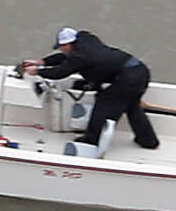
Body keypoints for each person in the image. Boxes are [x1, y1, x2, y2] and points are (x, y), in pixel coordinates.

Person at [23, 27, 159, 151]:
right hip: (140, 71)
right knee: (132, 106)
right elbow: (65, 58)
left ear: (68, 44)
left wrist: (38, 72)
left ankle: (91, 140)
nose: (60, 49)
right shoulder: (86, 39)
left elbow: (60, 72)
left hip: (129, 78)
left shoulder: (80, 56)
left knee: (103, 102)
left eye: (61, 47)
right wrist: (41, 62)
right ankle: (148, 140)